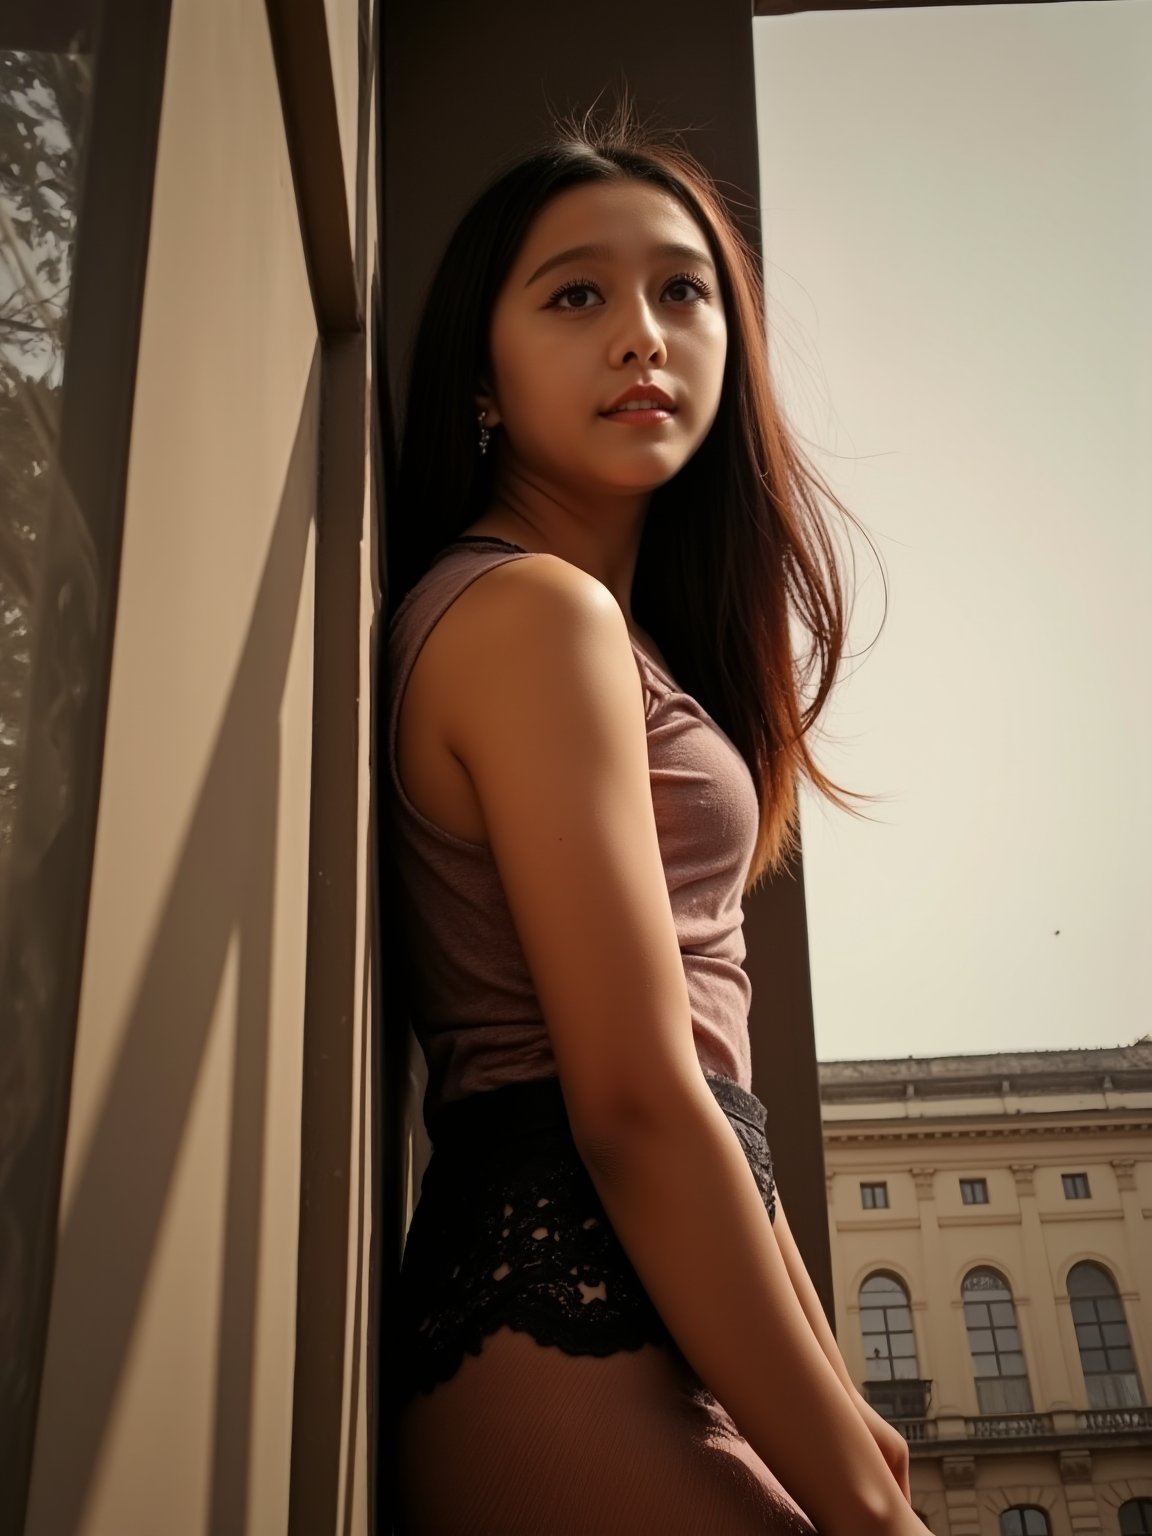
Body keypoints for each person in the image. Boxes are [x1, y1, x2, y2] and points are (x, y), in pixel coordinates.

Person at [383, 104, 919, 1535]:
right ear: (481, 379)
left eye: (681, 289)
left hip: (653, 1311)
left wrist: (831, 1403)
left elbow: (703, 1070)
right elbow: (629, 1097)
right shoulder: (530, 610)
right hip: (567, 1322)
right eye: (576, 294)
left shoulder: (604, 630)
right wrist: (870, 1511)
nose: (643, 333)